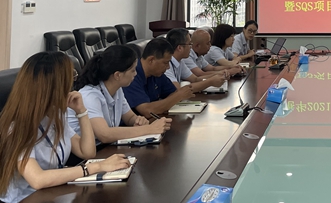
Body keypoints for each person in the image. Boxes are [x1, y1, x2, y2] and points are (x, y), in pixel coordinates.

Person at [0, 52, 131, 203]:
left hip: (52, 192)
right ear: (54, 86)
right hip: (26, 198)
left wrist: (81, 112)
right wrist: (96, 167)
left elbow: (86, 151)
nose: (72, 85)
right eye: (71, 79)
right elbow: (37, 179)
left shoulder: (55, 113)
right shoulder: (16, 126)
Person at [68, 45, 172, 144]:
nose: (135, 74)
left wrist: (138, 121)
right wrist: (149, 129)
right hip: (79, 153)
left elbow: (130, 118)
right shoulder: (90, 96)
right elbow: (104, 135)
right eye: (132, 70)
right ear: (117, 75)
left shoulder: (117, 90)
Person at [122, 38, 195, 118]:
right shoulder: (131, 76)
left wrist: (175, 97)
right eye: (165, 63)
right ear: (151, 60)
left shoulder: (156, 74)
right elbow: (147, 111)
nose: (168, 67)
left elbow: (172, 93)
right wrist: (178, 96)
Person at [164, 28, 228, 90]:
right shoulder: (166, 64)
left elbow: (195, 79)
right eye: (189, 44)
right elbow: (178, 90)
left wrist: (219, 75)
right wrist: (210, 82)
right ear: (179, 48)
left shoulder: (180, 61)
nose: (191, 47)